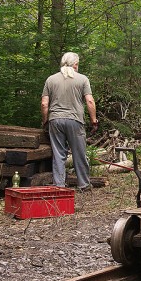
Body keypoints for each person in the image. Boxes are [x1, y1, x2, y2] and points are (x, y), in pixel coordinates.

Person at [41, 52, 98, 191]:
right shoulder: (82, 79)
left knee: (59, 154)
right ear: (75, 64)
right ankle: (84, 185)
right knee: (79, 153)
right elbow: (90, 101)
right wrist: (94, 120)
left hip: (55, 120)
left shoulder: (51, 80)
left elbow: (44, 104)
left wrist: (45, 121)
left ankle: (59, 185)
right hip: (75, 120)